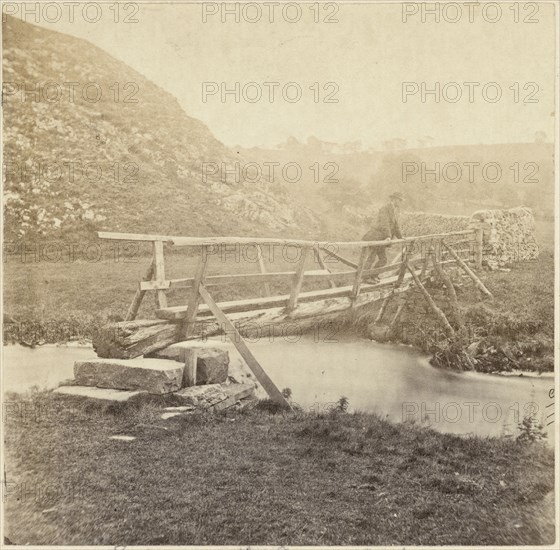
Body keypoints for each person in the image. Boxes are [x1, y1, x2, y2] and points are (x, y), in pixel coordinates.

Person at [362, 191, 405, 282]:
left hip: (382, 238)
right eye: (400, 200)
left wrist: (402, 238)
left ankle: (373, 275)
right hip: (375, 237)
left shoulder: (394, 211)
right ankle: (365, 278)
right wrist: (388, 236)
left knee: (383, 260)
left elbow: (396, 226)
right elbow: (384, 224)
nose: (401, 202)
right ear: (394, 199)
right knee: (372, 257)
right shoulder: (384, 209)